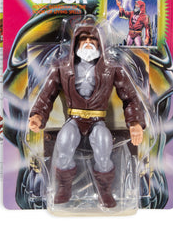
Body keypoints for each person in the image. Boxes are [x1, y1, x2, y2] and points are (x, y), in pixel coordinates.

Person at [28, 18, 145, 208]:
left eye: (93, 39)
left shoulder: (112, 68)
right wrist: (37, 115)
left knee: (104, 149)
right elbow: (46, 95)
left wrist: (135, 123)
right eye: (84, 39)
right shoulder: (61, 68)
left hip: (98, 120)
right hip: (73, 119)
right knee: (64, 145)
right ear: (75, 42)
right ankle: (63, 188)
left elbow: (130, 97)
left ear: (100, 44)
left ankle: (105, 191)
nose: (88, 43)